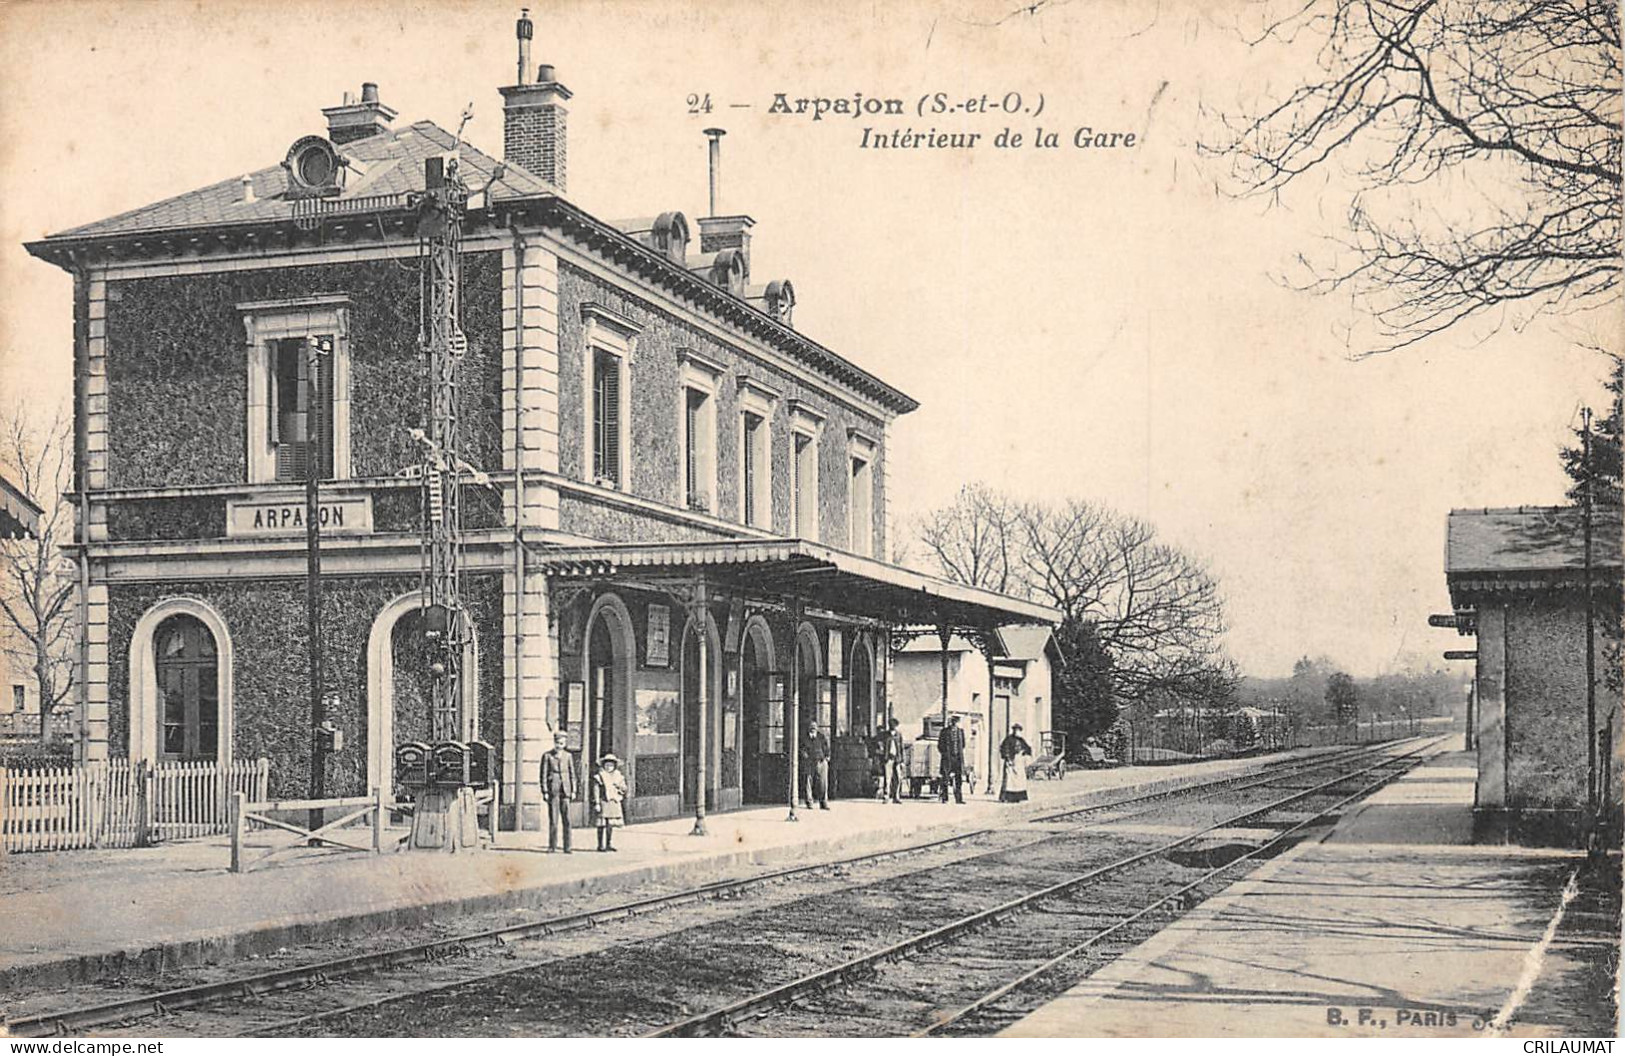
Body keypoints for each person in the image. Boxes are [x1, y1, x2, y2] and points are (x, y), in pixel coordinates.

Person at [540, 732, 577, 853]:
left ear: (565, 743)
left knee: (567, 820)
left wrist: (574, 790)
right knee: (553, 820)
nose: (559, 746)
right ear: (554, 742)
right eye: (557, 743)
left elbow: (572, 775)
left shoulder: (568, 756)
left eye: (561, 743)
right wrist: (545, 791)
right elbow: (543, 775)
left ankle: (568, 847)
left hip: (565, 790)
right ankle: (552, 846)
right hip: (553, 790)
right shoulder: (547, 756)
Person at [591, 753, 628, 852]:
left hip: (613, 801)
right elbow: (596, 790)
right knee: (601, 824)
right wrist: (597, 803)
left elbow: (624, 788)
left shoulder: (618, 776)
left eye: (611, 765)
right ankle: (600, 845)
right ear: (603, 765)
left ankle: (608, 843)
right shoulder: (599, 776)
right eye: (607, 765)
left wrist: (619, 787)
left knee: (610, 824)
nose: (609, 767)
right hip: (604, 801)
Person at [999, 723, 1034, 803]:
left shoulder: (1021, 740)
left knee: (1019, 781)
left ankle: (1018, 797)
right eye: (1015, 730)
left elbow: (1028, 748)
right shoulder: (1008, 739)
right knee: (1009, 780)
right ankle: (1007, 797)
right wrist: (1007, 757)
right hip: (1011, 762)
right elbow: (1004, 748)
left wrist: (1023, 753)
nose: (1017, 731)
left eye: (1018, 730)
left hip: (1019, 762)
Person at [938, 714, 966, 804]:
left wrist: (958, 753)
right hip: (947, 758)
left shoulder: (961, 732)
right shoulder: (944, 732)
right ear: (951, 722)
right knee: (945, 778)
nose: (954, 724)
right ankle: (945, 798)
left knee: (958, 779)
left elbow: (963, 745)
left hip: (958, 758)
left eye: (956, 722)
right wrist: (945, 754)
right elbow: (940, 745)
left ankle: (959, 799)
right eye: (953, 722)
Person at [802, 721, 831, 810]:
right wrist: (805, 755)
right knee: (808, 782)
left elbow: (826, 748)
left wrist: (827, 757)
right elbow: (802, 749)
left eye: (815, 727)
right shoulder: (805, 738)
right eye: (811, 727)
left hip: (821, 761)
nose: (813, 728)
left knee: (823, 782)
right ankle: (809, 802)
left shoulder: (821, 737)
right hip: (809, 762)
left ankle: (823, 802)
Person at [884, 717, 905, 803]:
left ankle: (896, 796)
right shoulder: (885, 735)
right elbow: (877, 743)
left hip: (897, 759)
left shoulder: (899, 735)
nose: (893, 727)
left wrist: (902, 760)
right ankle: (886, 796)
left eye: (894, 725)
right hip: (888, 758)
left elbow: (901, 748)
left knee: (898, 778)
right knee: (887, 778)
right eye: (891, 725)